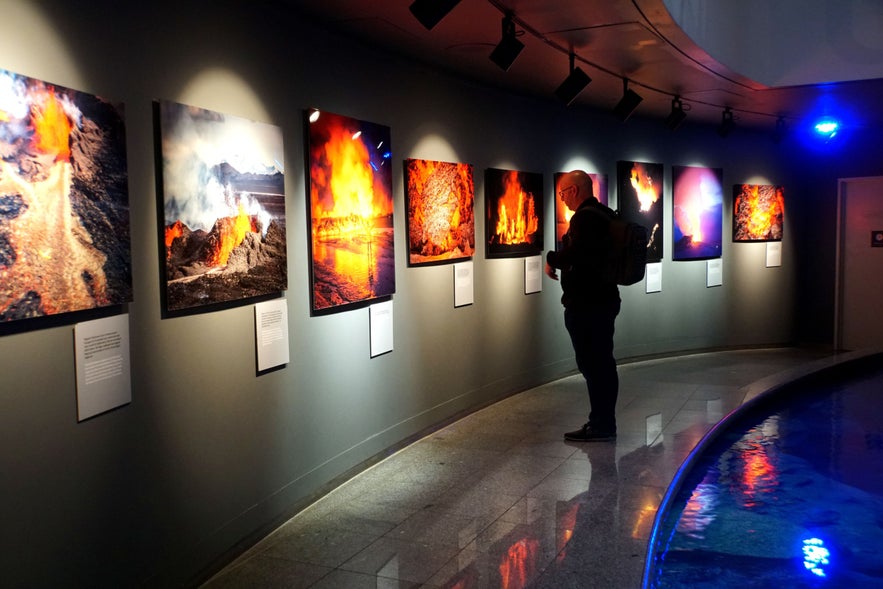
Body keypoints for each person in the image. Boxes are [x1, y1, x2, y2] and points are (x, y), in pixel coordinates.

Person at [545, 170, 621, 441]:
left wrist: (551, 257)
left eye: (563, 193)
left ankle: (601, 424)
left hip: (587, 304)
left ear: (574, 190)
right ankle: (603, 422)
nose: (562, 199)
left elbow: (576, 255)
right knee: (603, 362)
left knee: (593, 365)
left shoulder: (584, 218)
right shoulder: (605, 213)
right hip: (606, 299)